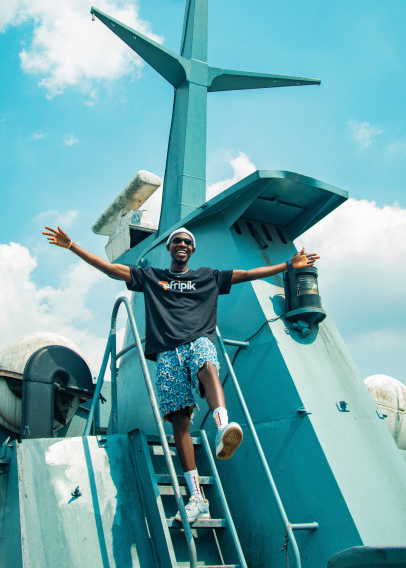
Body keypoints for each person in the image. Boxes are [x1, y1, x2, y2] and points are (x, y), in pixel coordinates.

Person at [43, 224, 319, 524]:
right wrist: (73, 247)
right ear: (169, 247)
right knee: (179, 423)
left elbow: (246, 275)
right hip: (167, 354)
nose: (182, 244)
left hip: (197, 341)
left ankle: (222, 425)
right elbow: (111, 270)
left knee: (206, 362)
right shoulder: (152, 277)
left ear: (193, 249)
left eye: (187, 241)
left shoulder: (207, 277)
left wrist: (288, 265)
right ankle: (197, 497)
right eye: (177, 241)